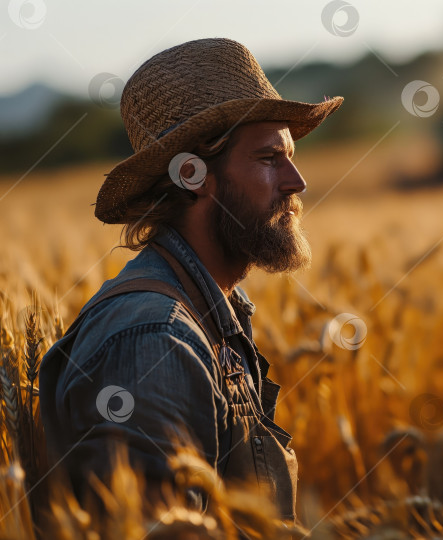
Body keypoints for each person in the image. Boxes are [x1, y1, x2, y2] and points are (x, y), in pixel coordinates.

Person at [38, 37, 343, 524]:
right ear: (192, 173)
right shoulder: (153, 342)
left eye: (291, 155)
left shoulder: (214, 308)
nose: (296, 181)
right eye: (269, 159)